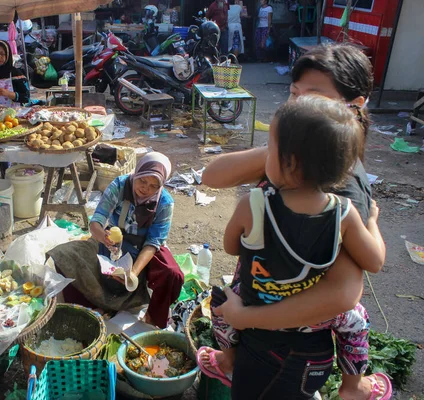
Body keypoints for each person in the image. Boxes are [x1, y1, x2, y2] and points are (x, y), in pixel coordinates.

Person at [200, 44, 391, 400]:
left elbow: (344, 294)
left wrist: (246, 318)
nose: (295, 106)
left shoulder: (343, 188)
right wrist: (280, 149)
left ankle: (354, 387)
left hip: (281, 339)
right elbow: (211, 175)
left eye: (313, 96)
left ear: (355, 105)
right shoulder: (297, 163)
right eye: (293, 94)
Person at [50, 153, 184, 328]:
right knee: (63, 255)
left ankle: (153, 318)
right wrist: (102, 237)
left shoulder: (165, 203)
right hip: (112, 242)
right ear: (136, 173)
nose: (146, 189)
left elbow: (153, 243)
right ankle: (88, 310)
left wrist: (133, 273)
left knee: (172, 274)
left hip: (143, 247)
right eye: (142, 181)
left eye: (153, 186)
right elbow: (97, 220)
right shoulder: (120, 186)